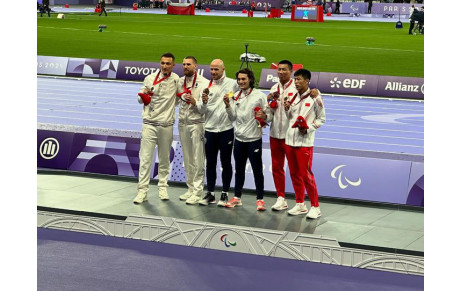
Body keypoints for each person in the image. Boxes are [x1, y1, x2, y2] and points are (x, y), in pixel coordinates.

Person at [133, 53, 180, 204]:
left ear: (173, 65)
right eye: (163, 63)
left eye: (168, 63)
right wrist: (144, 94)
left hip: (166, 125)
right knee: (146, 159)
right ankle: (142, 191)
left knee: (165, 159)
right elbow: (140, 99)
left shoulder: (176, 80)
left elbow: (178, 99)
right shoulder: (150, 78)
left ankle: (163, 187)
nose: (165, 66)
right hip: (149, 124)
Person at [222, 68, 268, 211]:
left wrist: (264, 116)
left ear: (250, 80)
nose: (241, 82)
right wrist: (228, 105)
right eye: (239, 79)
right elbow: (233, 117)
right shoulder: (235, 96)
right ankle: (237, 197)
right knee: (239, 170)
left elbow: (268, 114)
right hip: (239, 139)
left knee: (257, 170)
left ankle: (260, 199)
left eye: (244, 79)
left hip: (254, 139)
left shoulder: (259, 96)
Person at [283, 69, 325, 219]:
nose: (296, 82)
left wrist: (308, 129)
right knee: (294, 174)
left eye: (299, 79)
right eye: (295, 79)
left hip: (305, 143)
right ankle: (300, 204)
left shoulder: (316, 97)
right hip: (289, 141)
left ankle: (315, 207)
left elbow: (321, 119)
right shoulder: (293, 96)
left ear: (307, 81)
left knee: (306, 175)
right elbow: (290, 118)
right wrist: (287, 109)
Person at [196, 59, 239, 206]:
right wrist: (204, 101)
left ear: (223, 69)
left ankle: (225, 193)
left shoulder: (232, 84)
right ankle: (211, 193)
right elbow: (200, 110)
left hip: (226, 130)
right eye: (212, 69)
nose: (213, 72)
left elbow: (243, 93)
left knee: (226, 162)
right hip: (210, 130)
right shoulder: (206, 87)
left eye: (216, 69)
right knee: (210, 163)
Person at [176, 56, 209, 205]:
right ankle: (190, 188)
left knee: (198, 159)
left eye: (188, 64)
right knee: (187, 158)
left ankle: (197, 191)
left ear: (195, 66)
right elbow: (176, 100)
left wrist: (195, 102)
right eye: (183, 64)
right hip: (183, 123)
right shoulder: (180, 81)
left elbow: (205, 108)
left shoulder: (204, 83)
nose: (185, 67)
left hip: (197, 123)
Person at [265, 61, 297, 211]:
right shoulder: (273, 88)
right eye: (279, 69)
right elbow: (270, 114)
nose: (281, 72)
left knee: (294, 169)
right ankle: (281, 198)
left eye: (284, 70)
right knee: (277, 167)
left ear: (291, 71)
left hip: (290, 136)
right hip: (274, 134)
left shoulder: (296, 88)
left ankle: (300, 202)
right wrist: (267, 106)